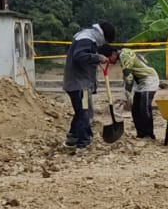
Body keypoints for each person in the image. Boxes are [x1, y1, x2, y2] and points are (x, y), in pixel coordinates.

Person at [63, 21, 118, 149]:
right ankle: (84, 141)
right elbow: (79, 56)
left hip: (78, 83)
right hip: (79, 85)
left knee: (81, 112)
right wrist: (98, 58)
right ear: (104, 36)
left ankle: (72, 138)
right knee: (84, 112)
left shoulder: (85, 36)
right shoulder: (86, 39)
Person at [119, 47, 160, 140]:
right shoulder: (126, 52)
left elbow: (129, 79)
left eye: (109, 58)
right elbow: (128, 77)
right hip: (140, 82)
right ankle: (140, 134)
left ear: (113, 54)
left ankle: (149, 134)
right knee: (136, 109)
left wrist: (126, 96)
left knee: (144, 107)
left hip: (149, 80)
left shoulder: (124, 56)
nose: (110, 62)